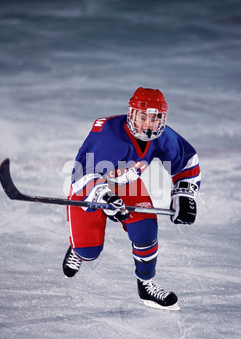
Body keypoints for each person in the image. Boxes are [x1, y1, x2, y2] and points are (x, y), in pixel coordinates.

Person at [63, 87, 201, 310]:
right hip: (90, 186)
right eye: (143, 116)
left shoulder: (162, 137)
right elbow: (82, 174)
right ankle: (78, 250)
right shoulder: (108, 136)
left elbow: (187, 160)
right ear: (132, 114)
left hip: (126, 182)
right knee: (89, 252)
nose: (148, 125)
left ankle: (146, 285)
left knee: (146, 230)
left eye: (154, 118)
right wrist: (105, 197)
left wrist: (184, 193)